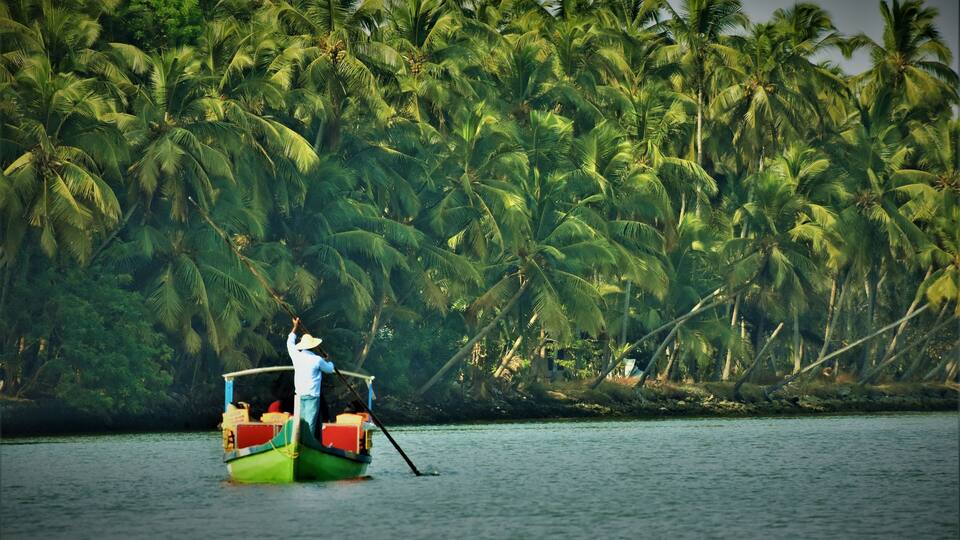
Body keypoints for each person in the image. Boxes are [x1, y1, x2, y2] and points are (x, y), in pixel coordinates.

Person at [287, 317, 335, 436]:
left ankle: (305, 442)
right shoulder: (317, 360)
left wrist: (295, 327)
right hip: (312, 396)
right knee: (310, 424)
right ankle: (310, 443)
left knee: (301, 423)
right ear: (313, 347)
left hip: (299, 395)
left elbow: (289, 342)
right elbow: (330, 369)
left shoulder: (296, 356)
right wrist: (329, 361)